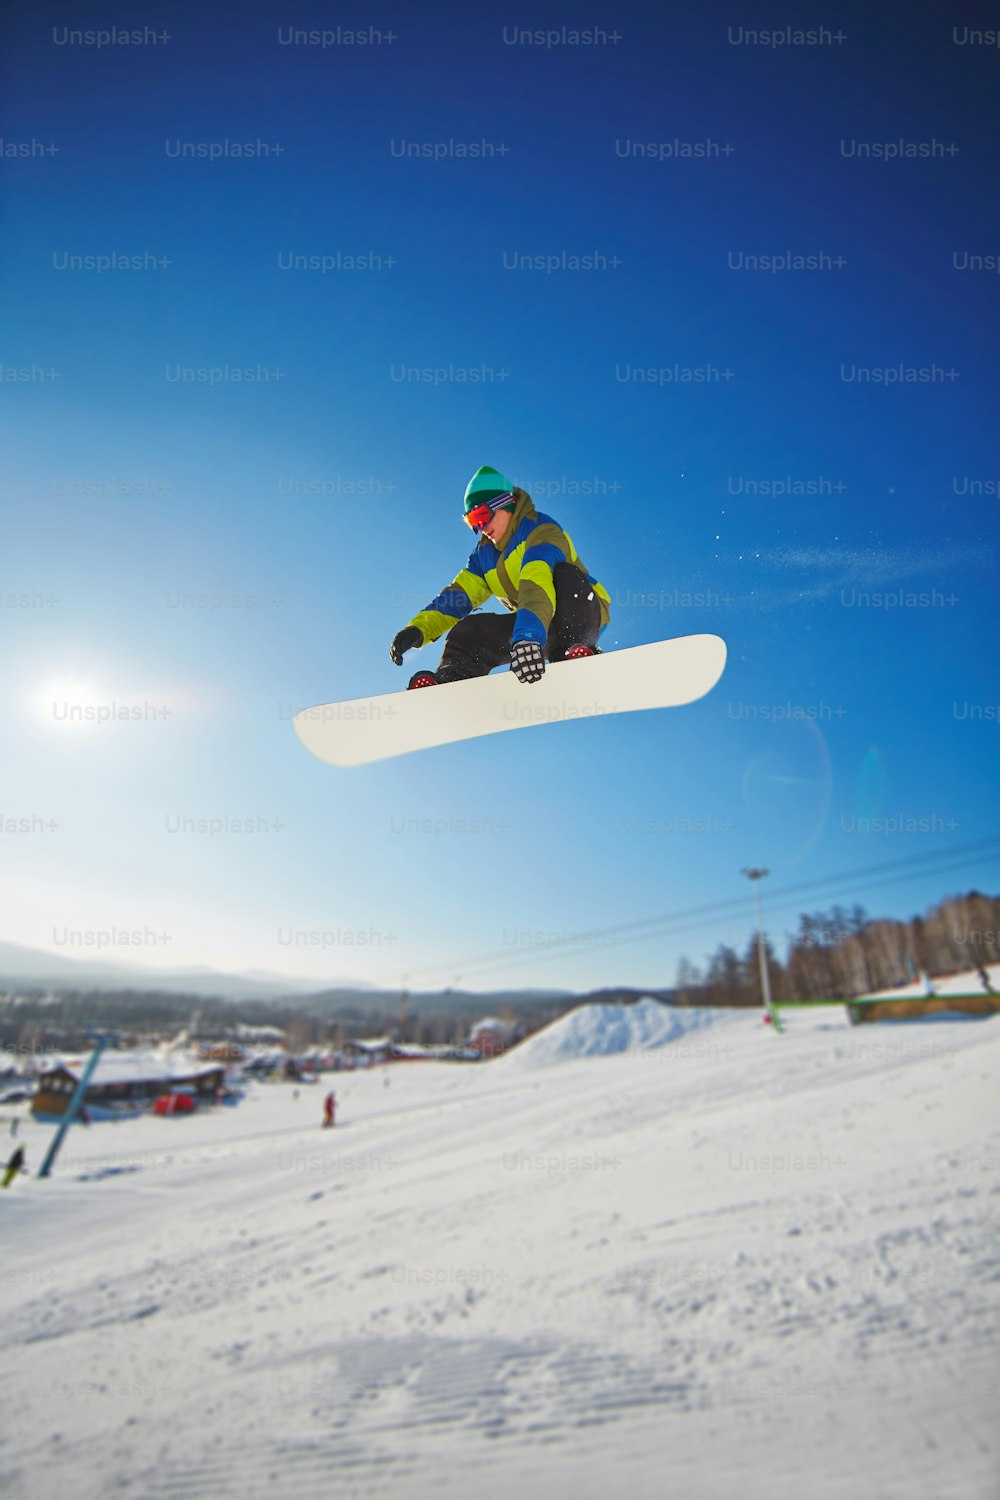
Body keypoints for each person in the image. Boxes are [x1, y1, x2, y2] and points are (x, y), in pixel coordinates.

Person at [390, 466, 611, 688]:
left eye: (481, 516)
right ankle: (451, 681)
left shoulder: (541, 530)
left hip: (579, 613)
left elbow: (535, 585)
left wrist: (527, 638)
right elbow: (456, 597)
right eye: (472, 522)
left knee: (566, 577)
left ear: (505, 504)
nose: (480, 527)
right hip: (533, 626)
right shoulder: (483, 556)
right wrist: (418, 629)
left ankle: (573, 653)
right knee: (469, 629)